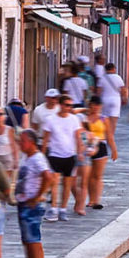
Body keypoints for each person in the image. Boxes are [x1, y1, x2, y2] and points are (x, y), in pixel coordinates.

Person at [14, 129, 52, 258]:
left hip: (32, 206)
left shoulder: (37, 158)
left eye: (22, 141)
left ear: (31, 142)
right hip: (23, 203)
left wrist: (38, 196)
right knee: (27, 241)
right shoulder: (27, 157)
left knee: (34, 240)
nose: (20, 144)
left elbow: (48, 177)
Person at [39, 91, 83, 219]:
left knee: (67, 184)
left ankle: (63, 209)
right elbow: (46, 139)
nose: (69, 108)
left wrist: (80, 152)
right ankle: (53, 208)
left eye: (71, 105)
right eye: (66, 105)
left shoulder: (74, 119)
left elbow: (78, 137)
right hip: (55, 154)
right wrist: (42, 155)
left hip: (70, 154)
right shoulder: (51, 120)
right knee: (54, 182)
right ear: (60, 105)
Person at [84, 95, 114, 210]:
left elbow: (109, 136)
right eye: (94, 105)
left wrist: (114, 150)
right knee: (88, 175)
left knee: (97, 175)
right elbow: (73, 111)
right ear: (90, 105)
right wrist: (85, 109)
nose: (96, 107)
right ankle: (90, 199)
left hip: (101, 145)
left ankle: (96, 200)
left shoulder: (103, 119)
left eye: (98, 105)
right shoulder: (84, 118)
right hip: (88, 146)